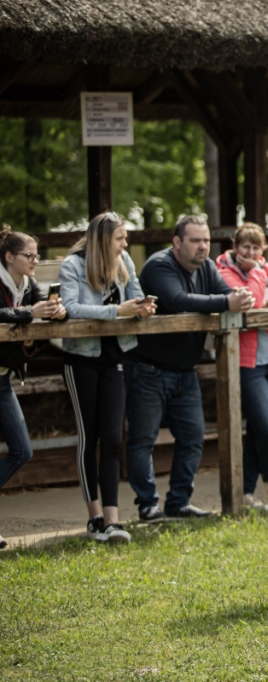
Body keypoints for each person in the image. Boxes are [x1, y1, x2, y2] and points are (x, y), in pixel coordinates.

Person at [125, 215, 255, 522]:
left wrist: (239, 297)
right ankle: (147, 505)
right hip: (148, 369)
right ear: (177, 243)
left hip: (185, 371)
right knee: (143, 440)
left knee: (194, 437)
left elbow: (226, 292)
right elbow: (177, 299)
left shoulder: (207, 267)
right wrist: (228, 303)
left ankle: (179, 502)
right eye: (196, 240)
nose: (203, 247)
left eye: (207, 240)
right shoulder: (159, 265)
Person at [59, 213, 156, 544]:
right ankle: (95, 518)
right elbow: (71, 308)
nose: (125, 244)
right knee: (91, 436)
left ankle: (114, 522)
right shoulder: (73, 265)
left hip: (117, 355)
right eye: (120, 238)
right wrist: (118, 311)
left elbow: (136, 293)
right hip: (80, 359)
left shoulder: (124, 260)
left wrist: (143, 307)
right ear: (103, 239)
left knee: (114, 438)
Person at [215, 223, 268, 510]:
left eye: (256, 248)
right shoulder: (223, 271)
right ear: (235, 247)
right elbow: (250, 301)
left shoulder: (264, 268)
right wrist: (259, 274)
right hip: (247, 366)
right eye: (245, 247)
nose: (250, 252)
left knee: (260, 430)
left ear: (263, 249)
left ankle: (247, 494)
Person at [0, 226, 66, 548]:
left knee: (22, 450)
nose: (35, 261)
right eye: (30, 256)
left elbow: (47, 308)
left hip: (2, 379)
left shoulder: (30, 284)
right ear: (9, 257)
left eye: (37, 256)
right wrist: (29, 313)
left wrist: (58, 311)